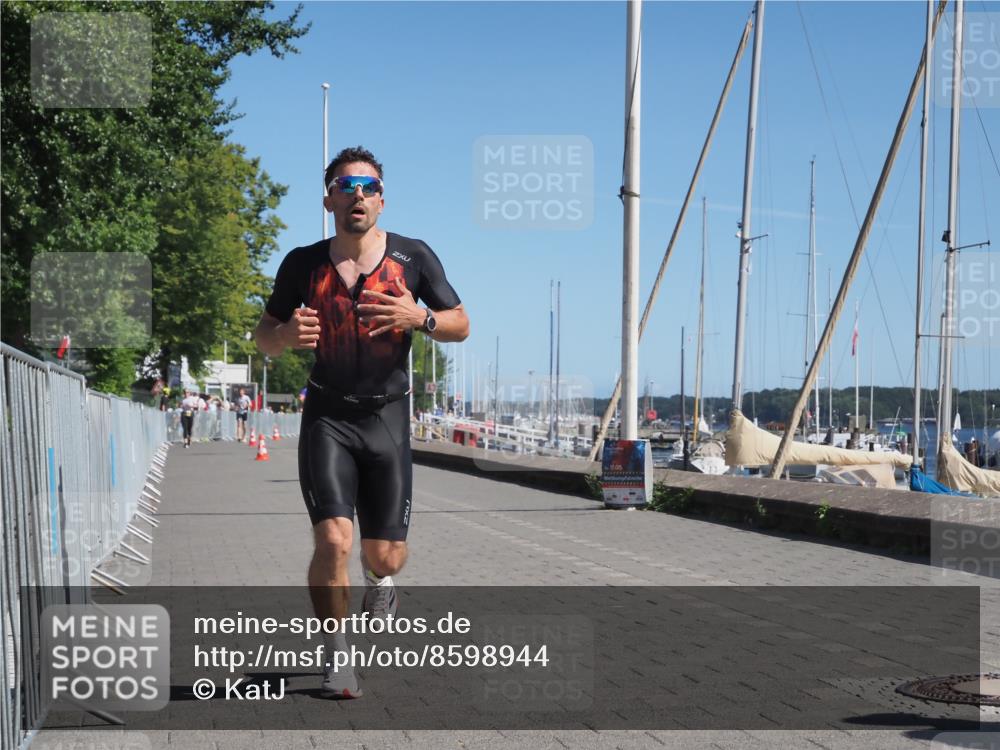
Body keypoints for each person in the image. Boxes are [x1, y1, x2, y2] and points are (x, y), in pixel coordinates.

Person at [255, 146, 469, 699]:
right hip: (327, 415)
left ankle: (380, 578)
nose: (358, 195)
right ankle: (336, 654)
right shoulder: (303, 264)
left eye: (369, 187)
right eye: (346, 186)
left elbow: (461, 323)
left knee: (385, 554)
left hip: (387, 417)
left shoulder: (412, 257)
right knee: (333, 539)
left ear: (382, 201)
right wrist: (284, 337)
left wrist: (419, 317)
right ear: (328, 199)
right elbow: (265, 334)